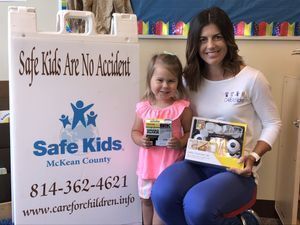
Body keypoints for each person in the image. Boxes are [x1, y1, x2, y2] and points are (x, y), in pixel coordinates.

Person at [151, 7, 282, 225]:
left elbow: (273, 123)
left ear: (228, 39)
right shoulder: (187, 80)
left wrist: (254, 157)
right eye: (203, 39)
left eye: (217, 37)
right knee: (162, 194)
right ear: (195, 44)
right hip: (196, 162)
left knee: (197, 206)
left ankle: (245, 222)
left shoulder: (252, 79)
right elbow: (168, 108)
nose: (210, 46)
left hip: (236, 171)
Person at [131, 53, 193, 225]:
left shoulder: (182, 108)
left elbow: (190, 133)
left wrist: (180, 142)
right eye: (160, 80)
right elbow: (135, 131)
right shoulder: (143, 108)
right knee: (145, 200)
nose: (165, 86)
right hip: (147, 166)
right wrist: (141, 139)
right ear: (150, 80)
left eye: (171, 81)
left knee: (162, 204)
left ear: (178, 82)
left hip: (169, 167)